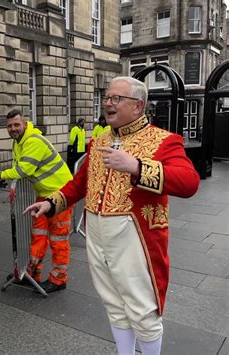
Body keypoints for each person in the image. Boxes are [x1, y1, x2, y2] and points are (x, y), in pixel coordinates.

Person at [25, 77, 200, 355]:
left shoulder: (164, 140)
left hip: (134, 234)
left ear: (138, 105)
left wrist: (137, 167)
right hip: (95, 229)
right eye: (107, 97)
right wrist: (52, 203)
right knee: (113, 303)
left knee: (142, 308)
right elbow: (81, 182)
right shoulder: (99, 140)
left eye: (117, 98)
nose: (108, 103)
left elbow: (190, 182)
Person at [0, 109, 74, 293]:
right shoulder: (18, 142)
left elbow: (24, 169)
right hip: (44, 194)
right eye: (9, 126)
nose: (13, 129)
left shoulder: (33, 141)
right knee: (37, 234)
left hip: (60, 194)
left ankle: (58, 279)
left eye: (16, 124)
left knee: (58, 239)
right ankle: (29, 272)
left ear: (25, 123)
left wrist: (1, 174)